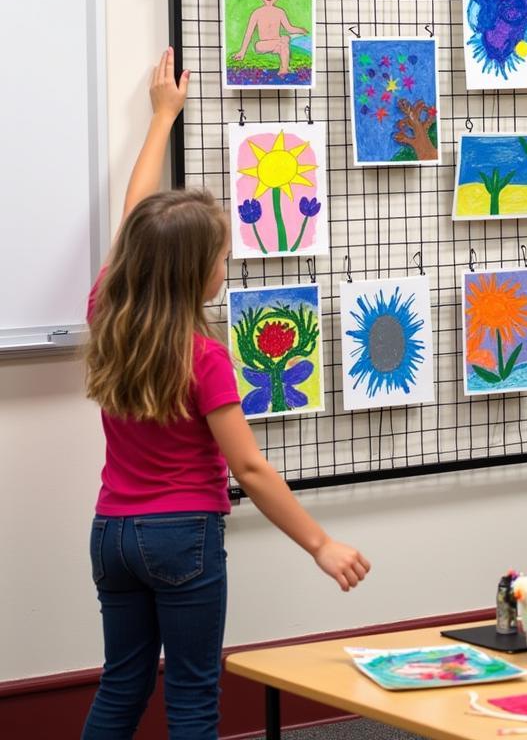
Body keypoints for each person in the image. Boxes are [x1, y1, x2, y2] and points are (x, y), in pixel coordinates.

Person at [81, 48, 369, 739]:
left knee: (120, 687)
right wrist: (319, 543)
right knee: (191, 696)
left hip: (111, 534)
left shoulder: (105, 309)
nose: (225, 266)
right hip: (184, 537)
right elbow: (250, 468)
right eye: (218, 258)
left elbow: (133, 218)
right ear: (193, 274)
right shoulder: (204, 357)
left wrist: (162, 119)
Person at [231, 0, 307, 76]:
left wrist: (301, 30)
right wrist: (242, 52)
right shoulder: (257, 13)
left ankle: (284, 69)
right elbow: (249, 33)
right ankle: (284, 48)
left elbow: (289, 28)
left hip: (277, 44)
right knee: (283, 41)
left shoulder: (280, 12)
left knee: (284, 43)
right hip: (262, 45)